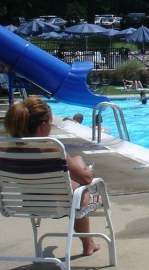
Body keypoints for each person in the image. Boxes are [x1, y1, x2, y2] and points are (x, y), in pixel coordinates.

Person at [4, 98, 102, 255]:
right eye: (51, 122)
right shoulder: (52, 150)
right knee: (80, 193)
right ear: (43, 126)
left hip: (29, 205)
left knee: (72, 188)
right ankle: (88, 244)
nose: (52, 125)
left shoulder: (7, 152)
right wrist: (85, 166)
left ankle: (88, 243)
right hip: (60, 204)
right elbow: (86, 179)